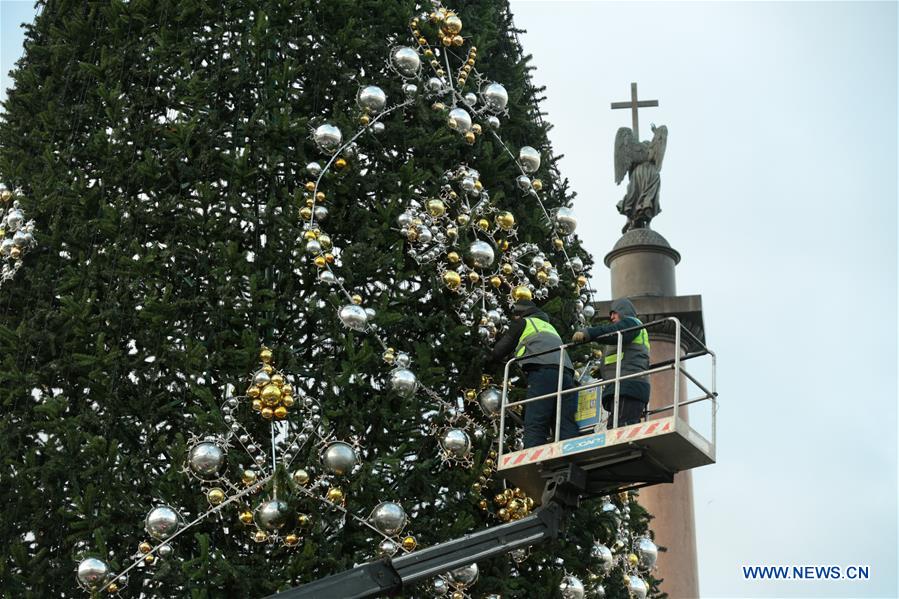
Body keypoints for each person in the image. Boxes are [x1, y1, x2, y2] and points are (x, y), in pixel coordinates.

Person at [488, 300, 580, 448]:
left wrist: (488, 358)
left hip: (543, 372)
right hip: (567, 374)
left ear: (519, 314)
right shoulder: (549, 327)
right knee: (565, 421)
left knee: (536, 418)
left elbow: (501, 349)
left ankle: (534, 459)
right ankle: (569, 455)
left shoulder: (523, 323)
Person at [572, 298, 650, 428]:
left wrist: (589, 333)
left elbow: (612, 333)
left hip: (629, 385)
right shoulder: (622, 333)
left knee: (621, 428)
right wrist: (601, 370)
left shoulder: (632, 323)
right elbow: (621, 357)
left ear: (624, 312)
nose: (612, 317)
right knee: (615, 427)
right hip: (622, 386)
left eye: (615, 312)